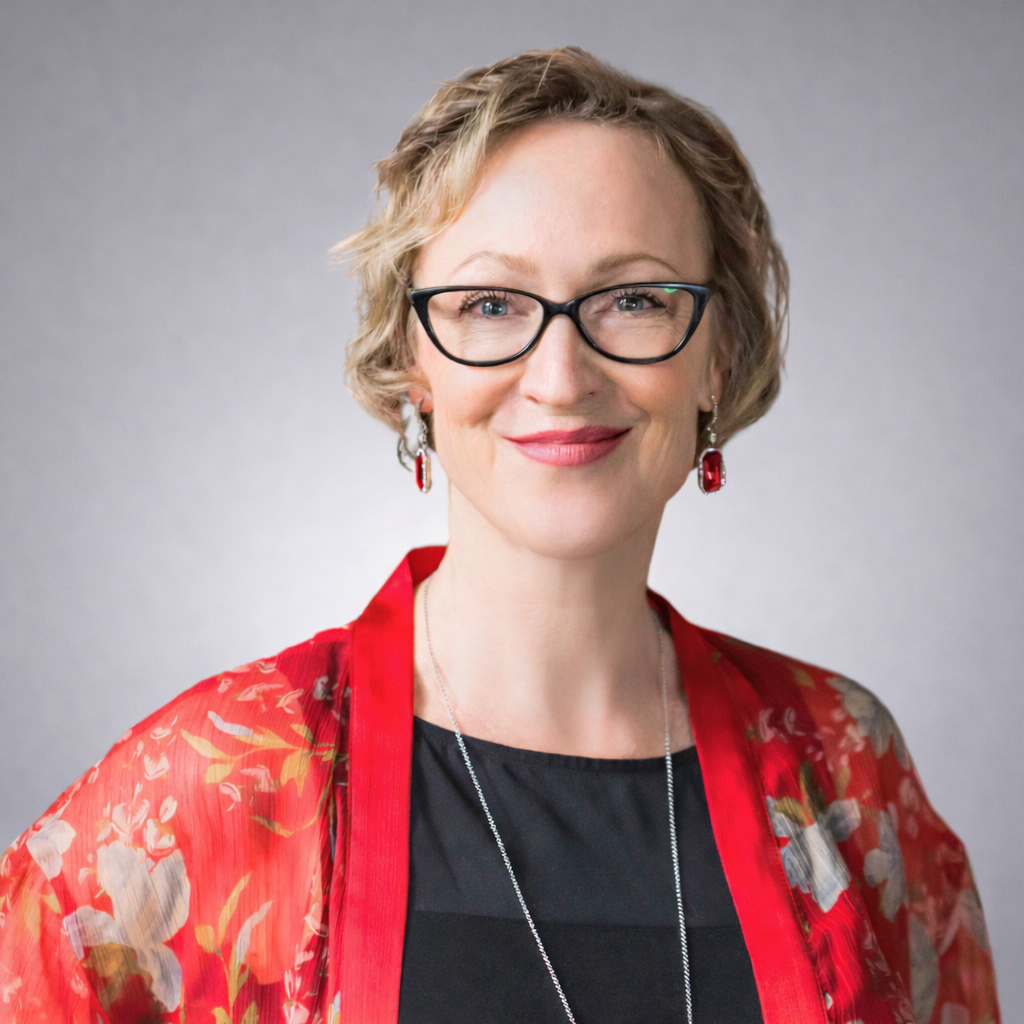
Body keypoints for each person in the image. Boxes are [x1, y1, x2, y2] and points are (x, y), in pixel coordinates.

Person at [0, 47, 999, 1024]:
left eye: (636, 299)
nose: (560, 375)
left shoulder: (842, 762)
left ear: (716, 357)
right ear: (413, 367)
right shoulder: (224, 777)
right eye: (487, 304)